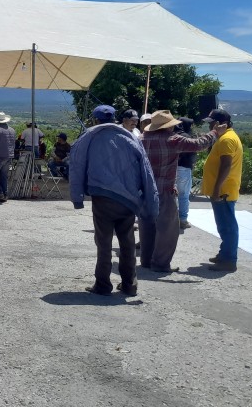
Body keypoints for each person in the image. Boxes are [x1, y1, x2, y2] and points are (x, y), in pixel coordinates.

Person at [69, 104, 159, 297]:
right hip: (128, 198)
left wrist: (78, 197)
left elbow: (77, 164)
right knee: (127, 242)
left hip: (102, 197)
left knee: (104, 243)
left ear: (94, 119)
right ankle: (129, 285)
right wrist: (150, 202)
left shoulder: (89, 137)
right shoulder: (130, 137)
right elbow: (146, 169)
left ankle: (103, 285)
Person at [141, 110, 223, 273]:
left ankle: (146, 259)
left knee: (147, 226)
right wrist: (215, 132)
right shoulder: (173, 140)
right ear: (168, 127)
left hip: (145, 190)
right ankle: (160, 263)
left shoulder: (141, 139)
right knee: (168, 229)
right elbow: (199, 144)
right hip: (164, 190)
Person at [201, 109, 243, 272]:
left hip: (223, 191)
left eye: (211, 123)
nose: (209, 126)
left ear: (219, 124)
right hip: (223, 189)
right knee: (224, 224)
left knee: (227, 225)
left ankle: (229, 260)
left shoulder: (227, 140)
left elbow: (226, 165)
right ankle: (225, 253)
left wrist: (217, 188)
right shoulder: (226, 137)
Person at [174, 118, 195, 230]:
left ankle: (172, 218)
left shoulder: (172, 136)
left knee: (172, 196)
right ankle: (182, 220)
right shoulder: (186, 137)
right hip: (184, 169)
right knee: (184, 195)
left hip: (172, 169)